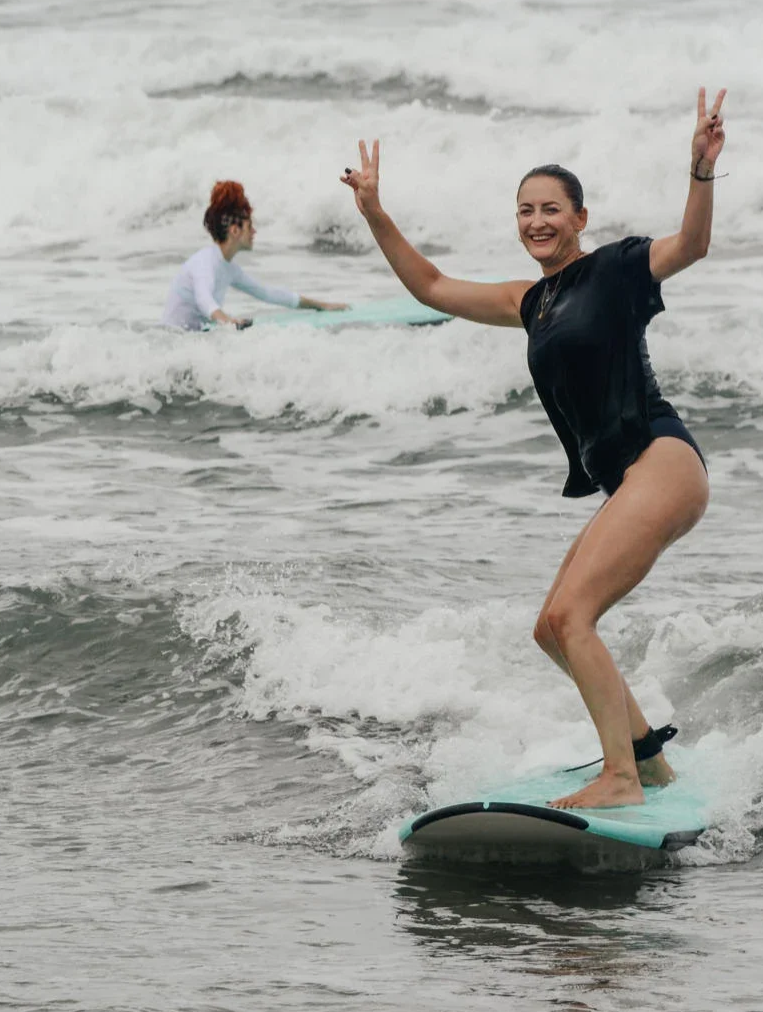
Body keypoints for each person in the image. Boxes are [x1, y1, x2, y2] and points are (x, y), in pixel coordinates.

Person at [339, 87, 728, 809]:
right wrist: (375, 214)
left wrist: (700, 171)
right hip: (633, 478)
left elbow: (692, 246)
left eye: (552, 209)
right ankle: (646, 763)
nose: (537, 220)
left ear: (580, 218)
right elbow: (429, 286)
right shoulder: (531, 302)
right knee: (551, 628)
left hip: (662, 459)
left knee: (572, 617)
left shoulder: (615, 269)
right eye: (525, 210)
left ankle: (618, 780)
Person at [161, 180, 346, 331]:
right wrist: (227, 321)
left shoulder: (228, 268)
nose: (254, 232)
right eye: (250, 226)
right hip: (172, 344)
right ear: (235, 230)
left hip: (189, 341)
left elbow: (267, 293)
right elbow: (204, 299)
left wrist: (321, 306)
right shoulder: (205, 262)